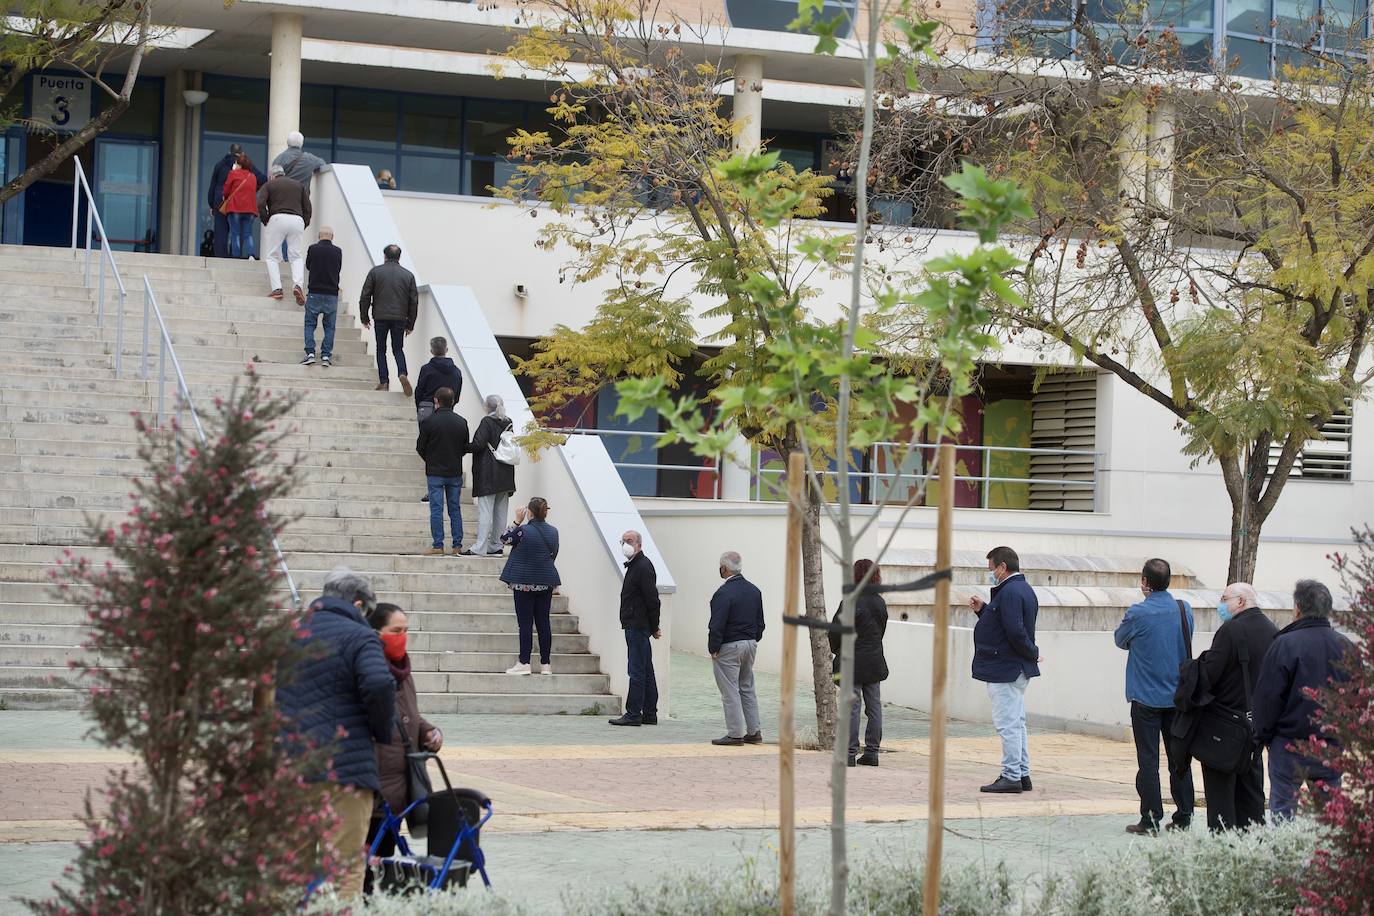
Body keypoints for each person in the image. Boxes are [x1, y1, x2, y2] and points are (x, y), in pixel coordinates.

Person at [276, 567, 395, 899]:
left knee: (293, 865)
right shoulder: (361, 637)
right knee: (346, 865)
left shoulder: (292, 633)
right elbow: (379, 683)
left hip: (292, 765)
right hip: (346, 767)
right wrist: (381, 730)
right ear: (358, 604)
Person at [1251, 579, 1353, 821]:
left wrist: (1263, 736)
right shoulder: (1347, 647)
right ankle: (1327, 860)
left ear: (1297, 607)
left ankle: (1287, 859)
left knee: (1284, 816)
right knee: (1329, 821)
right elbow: (1355, 699)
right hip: (1330, 744)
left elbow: (1267, 698)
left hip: (1288, 744)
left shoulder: (1285, 644)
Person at [363, 602, 442, 895]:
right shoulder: (367, 671)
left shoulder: (403, 670)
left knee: (380, 868)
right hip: (374, 790)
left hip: (399, 790)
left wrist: (430, 732)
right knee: (363, 872)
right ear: (376, 633)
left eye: (406, 630)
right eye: (395, 631)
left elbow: (410, 716)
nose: (402, 636)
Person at [1113, 557, 1195, 834]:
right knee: (1179, 759)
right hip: (1178, 698)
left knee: (1148, 761)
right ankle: (1184, 816)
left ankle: (1150, 819)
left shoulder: (1138, 613)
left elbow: (1120, 639)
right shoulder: (1184, 610)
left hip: (1146, 698)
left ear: (1145, 582)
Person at [1197, 581, 1279, 831]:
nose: (1221, 604)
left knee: (1221, 795)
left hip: (1224, 727)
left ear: (1241, 601)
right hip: (1255, 726)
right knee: (1251, 793)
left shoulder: (1230, 630)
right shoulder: (1272, 631)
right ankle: (1251, 846)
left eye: (1225, 599)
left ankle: (1224, 851)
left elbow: (1209, 675)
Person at [969, 545, 1040, 794]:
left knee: (1007, 724)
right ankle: (1021, 773)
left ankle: (1011, 775)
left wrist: (1033, 652)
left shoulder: (1009, 592)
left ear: (1002, 567)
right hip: (1014, 666)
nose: (991, 574)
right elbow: (1006, 624)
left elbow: (1015, 631)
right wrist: (984, 611)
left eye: (992, 569)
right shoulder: (1021, 590)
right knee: (1017, 722)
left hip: (1006, 668)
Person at [830, 559, 889, 767]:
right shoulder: (880, 602)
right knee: (874, 707)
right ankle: (872, 752)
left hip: (851, 662)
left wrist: (836, 649)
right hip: (874, 661)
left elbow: (835, 632)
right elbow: (880, 632)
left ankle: (848, 753)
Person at [708, 551, 765, 747]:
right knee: (747, 687)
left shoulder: (723, 593)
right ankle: (754, 731)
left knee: (730, 690)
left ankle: (735, 734)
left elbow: (717, 624)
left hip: (729, 646)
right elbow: (760, 622)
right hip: (750, 644)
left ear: (724, 568)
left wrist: (714, 647)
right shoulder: (754, 590)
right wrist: (753, 638)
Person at [499, 497, 560, 675]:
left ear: (530, 512)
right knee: (543, 623)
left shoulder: (522, 531)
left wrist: (517, 520)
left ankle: (524, 662)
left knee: (525, 624)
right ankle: (545, 664)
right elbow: (553, 553)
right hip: (546, 582)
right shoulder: (554, 532)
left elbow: (503, 539)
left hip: (523, 583)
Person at [609, 530, 661, 727]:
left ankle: (633, 714)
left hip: (637, 625)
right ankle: (649, 712)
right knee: (646, 669)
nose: (625, 544)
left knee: (637, 670)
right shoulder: (636, 565)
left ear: (639, 544)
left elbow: (652, 600)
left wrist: (654, 626)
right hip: (637, 624)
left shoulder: (642, 567)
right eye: (622, 541)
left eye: (629, 541)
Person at [415, 387, 469, 556]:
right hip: (454, 471)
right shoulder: (461, 422)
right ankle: (457, 545)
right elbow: (464, 447)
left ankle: (438, 545)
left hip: (435, 472)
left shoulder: (429, 422)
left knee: (436, 509)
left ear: (436, 401)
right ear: (452, 401)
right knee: (455, 509)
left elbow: (420, 447)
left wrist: (430, 460)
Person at [359, 244, 419, 394]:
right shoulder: (408, 275)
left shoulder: (375, 272)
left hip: (380, 316)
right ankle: (402, 373)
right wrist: (410, 324)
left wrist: (364, 317)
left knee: (381, 349)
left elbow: (365, 296)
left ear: (385, 256)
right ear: (399, 257)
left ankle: (384, 382)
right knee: (398, 349)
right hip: (400, 318)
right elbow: (414, 301)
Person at [463, 394, 515, 556]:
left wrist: (462, 446)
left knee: (485, 512)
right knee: (501, 512)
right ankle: (497, 546)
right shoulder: (508, 421)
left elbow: (478, 444)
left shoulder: (487, 422)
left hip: (488, 474)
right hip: (505, 473)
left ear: (486, 407)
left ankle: (479, 547)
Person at [256, 163, 311, 305]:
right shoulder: (298, 185)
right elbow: (307, 207)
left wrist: (266, 219)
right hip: (297, 219)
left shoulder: (269, 185)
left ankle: (277, 289)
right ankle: (298, 285)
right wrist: (304, 222)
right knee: (296, 255)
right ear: (283, 174)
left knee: (272, 256)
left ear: (272, 176)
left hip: (277, 218)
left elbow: (260, 203)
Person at [302, 227, 342, 367]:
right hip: (331, 294)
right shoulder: (338, 251)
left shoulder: (313, 249)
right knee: (330, 327)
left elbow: (308, 266)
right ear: (332, 237)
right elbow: (338, 269)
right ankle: (325, 356)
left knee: (310, 324)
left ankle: (310, 353)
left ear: (319, 236)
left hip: (315, 292)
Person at [207, 143, 243, 258]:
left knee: (220, 231)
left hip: (220, 202)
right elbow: (259, 178)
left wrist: (212, 204)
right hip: (236, 202)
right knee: (236, 230)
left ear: (229, 152)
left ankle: (220, 256)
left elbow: (213, 186)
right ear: (240, 153)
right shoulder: (243, 166)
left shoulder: (220, 165)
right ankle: (235, 255)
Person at [220, 157, 260, 260]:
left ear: (239, 165)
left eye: (236, 163)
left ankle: (236, 256)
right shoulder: (253, 176)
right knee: (248, 234)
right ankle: (251, 255)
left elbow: (226, 190)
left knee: (235, 233)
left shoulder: (233, 174)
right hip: (250, 210)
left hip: (235, 208)